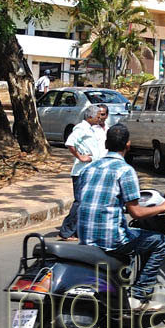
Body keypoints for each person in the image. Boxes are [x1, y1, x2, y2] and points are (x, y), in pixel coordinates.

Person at [76, 123, 165, 311]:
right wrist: (164, 206)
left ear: (106, 143)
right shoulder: (125, 170)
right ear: (128, 145)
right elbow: (136, 212)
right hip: (111, 239)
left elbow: (88, 199)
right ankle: (139, 294)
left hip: (85, 237)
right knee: (160, 241)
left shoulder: (89, 168)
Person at [58, 103, 110, 240]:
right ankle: (66, 231)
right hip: (81, 171)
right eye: (98, 116)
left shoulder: (91, 129)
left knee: (86, 202)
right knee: (80, 202)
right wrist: (80, 156)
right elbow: (70, 143)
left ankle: (77, 231)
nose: (99, 119)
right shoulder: (81, 128)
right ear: (91, 116)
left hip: (90, 170)